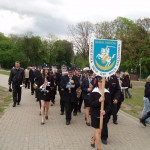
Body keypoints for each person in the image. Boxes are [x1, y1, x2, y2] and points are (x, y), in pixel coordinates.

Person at [90, 76, 111, 150]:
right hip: (95, 114)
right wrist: (99, 100)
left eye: (102, 82)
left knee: (99, 130)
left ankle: (93, 139)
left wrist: (105, 111)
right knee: (98, 132)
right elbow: (91, 104)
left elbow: (109, 105)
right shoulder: (94, 92)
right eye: (99, 82)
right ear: (97, 82)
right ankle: (99, 148)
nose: (101, 83)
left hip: (103, 115)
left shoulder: (107, 93)